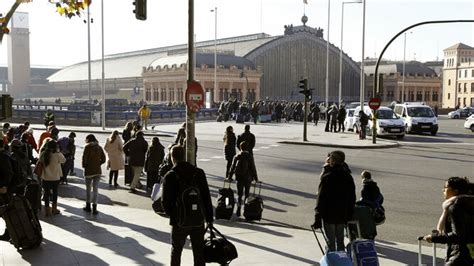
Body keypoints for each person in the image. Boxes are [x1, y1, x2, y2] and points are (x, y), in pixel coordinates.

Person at [162, 145, 214, 266]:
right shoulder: (199, 173)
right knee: (199, 253)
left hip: (179, 221)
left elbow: (165, 202)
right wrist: (209, 218)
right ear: (184, 156)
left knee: (176, 252)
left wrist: (173, 216)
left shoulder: (170, 176)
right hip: (198, 220)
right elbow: (206, 197)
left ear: (172, 158)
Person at [423, 177, 474, 265]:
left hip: (460, 255)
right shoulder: (468, 203)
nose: (443, 189)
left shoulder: (455, 208)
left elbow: (458, 235)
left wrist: (434, 238)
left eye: (446, 187)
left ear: (456, 190)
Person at [313, 150, 356, 252]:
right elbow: (352, 198)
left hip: (329, 215)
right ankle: (341, 260)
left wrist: (317, 216)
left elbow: (321, 199)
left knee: (330, 242)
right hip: (342, 215)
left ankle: (332, 261)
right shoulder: (348, 177)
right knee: (340, 241)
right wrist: (349, 214)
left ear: (332, 161)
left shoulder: (327, 177)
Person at [227, 141, 258, 217]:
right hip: (248, 178)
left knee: (239, 194)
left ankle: (238, 208)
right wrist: (256, 179)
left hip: (239, 178)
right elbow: (253, 168)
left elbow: (232, 167)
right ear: (247, 148)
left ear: (240, 148)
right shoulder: (249, 156)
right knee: (247, 194)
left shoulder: (237, 156)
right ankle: (246, 209)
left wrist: (229, 177)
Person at [40, 140, 66, 216]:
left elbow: (40, 161)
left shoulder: (44, 153)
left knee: (46, 194)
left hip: (45, 177)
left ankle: (47, 210)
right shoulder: (58, 154)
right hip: (55, 178)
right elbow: (64, 160)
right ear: (55, 147)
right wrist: (58, 152)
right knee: (55, 193)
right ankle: (54, 209)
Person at [82, 134, 106, 215]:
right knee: (95, 189)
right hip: (97, 171)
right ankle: (95, 207)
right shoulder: (99, 147)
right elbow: (104, 159)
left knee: (88, 189)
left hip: (89, 171)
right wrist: (98, 164)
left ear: (88, 139)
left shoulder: (87, 147)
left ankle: (88, 206)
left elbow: (84, 158)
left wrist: (85, 166)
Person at [0, 140, 13, 241]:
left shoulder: (3, 157)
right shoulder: (5, 155)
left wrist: (4, 186)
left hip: (2, 190)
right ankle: (9, 232)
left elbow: (9, 173)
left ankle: (9, 233)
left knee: (5, 212)